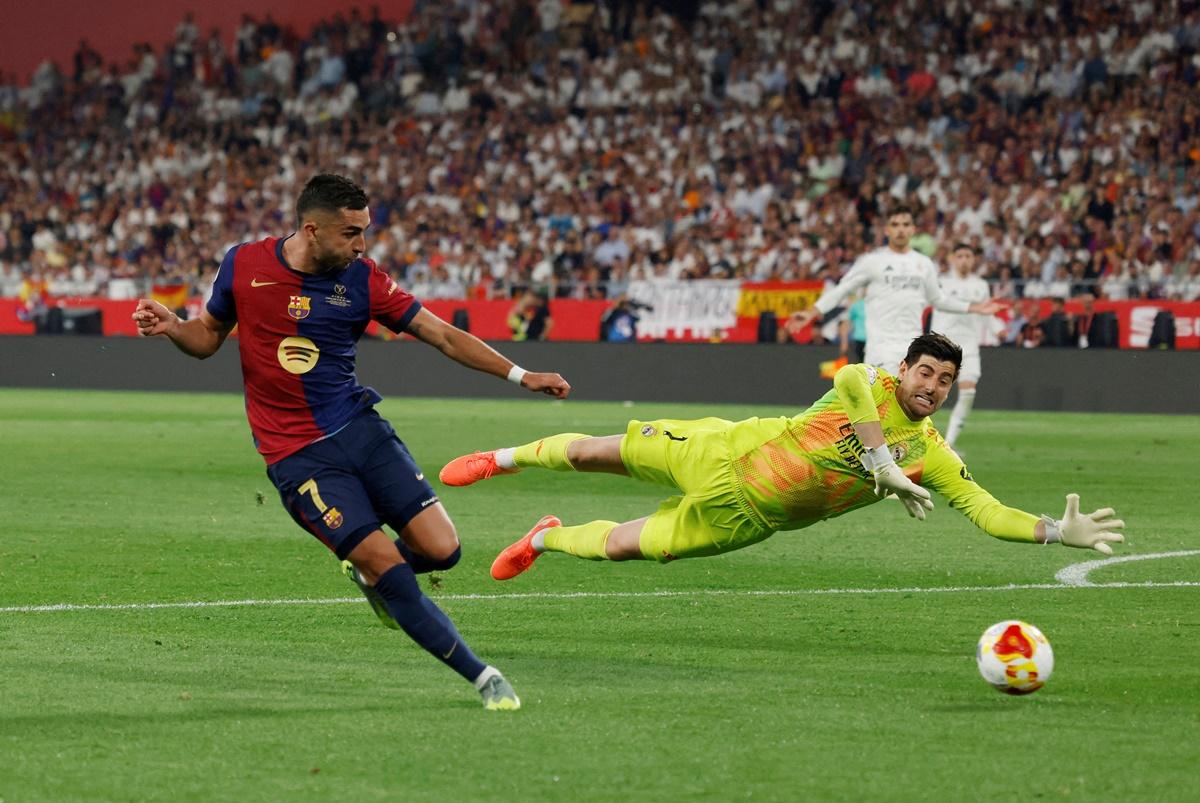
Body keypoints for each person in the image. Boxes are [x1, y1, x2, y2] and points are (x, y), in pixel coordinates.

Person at [132, 173, 572, 711]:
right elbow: (205, 338)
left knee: (443, 550)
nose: (361, 244)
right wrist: (174, 326)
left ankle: (370, 577)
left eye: (364, 231)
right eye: (350, 233)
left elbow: (442, 334)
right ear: (312, 230)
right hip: (297, 455)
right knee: (387, 565)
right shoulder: (244, 264)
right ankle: (483, 677)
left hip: (361, 430)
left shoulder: (363, 280)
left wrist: (521, 375)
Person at [438, 334, 1124, 580]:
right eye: (925, 373)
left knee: (622, 547)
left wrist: (1055, 530)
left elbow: (986, 509)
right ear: (906, 369)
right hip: (720, 454)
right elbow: (849, 378)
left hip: (747, 520)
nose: (931, 387)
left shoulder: (932, 454)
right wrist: (879, 460)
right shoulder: (873, 385)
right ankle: (502, 457)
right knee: (593, 453)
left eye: (944, 381)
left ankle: (544, 537)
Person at [787, 207, 1003, 373]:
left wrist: (975, 307)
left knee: (906, 414)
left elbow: (938, 299)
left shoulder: (923, 263)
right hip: (880, 347)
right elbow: (842, 289)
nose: (900, 229)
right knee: (884, 408)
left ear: (912, 229)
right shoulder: (872, 261)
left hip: (913, 347)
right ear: (887, 229)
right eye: (895, 224)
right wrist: (812, 312)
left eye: (905, 224)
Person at [929, 243, 993, 450]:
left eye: (968, 255)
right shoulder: (941, 282)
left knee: (968, 392)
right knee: (930, 391)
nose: (964, 259)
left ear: (973, 260)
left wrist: (997, 329)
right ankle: (921, 436)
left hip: (969, 345)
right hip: (943, 344)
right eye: (960, 255)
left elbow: (986, 312)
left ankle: (949, 443)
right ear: (953, 259)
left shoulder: (981, 285)